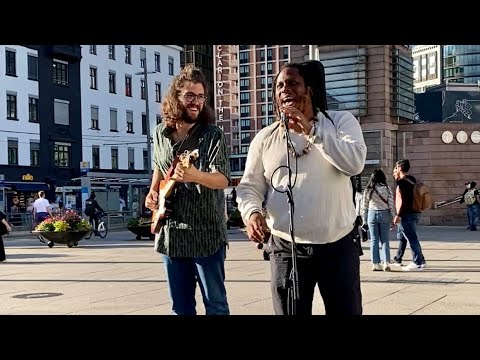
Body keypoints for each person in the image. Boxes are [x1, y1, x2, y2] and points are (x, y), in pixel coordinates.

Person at [236, 60, 367, 315]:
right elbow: (249, 186)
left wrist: (311, 132)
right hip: (286, 248)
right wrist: (251, 213)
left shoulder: (340, 122)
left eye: (293, 83)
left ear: (309, 90)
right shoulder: (265, 138)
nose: (285, 89)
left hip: (338, 245)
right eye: (279, 86)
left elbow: (354, 163)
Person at [145, 65, 230, 315]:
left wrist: (195, 176)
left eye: (201, 96)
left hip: (206, 233)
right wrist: (153, 193)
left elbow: (223, 179)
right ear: (176, 97)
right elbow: (159, 167)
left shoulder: (212, 135)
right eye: (190, 96)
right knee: (180, 308)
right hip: (171, 234)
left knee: (215, 305)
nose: (196, 102)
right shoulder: (159, 133)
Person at [391, 159, 427, 270]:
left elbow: (405, 201)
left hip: (407, 214)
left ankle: (418, 262)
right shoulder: (412, 179)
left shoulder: (402, 183)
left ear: (400, 168)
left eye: (396, 168)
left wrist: (398, 215)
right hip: (416, 212)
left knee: (412, 238)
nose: (395, 170)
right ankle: (398, 259)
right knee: (403, 237)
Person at [362, 169, 395, 272]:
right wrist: (393, 217)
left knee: (374, 240)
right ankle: (386, 262)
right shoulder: (387, 188)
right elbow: (391, 204)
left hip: (372, 214)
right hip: (384, 213)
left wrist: (364, 220)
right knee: (384, 240)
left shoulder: (368, 189)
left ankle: (375, 263)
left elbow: (364, 206)